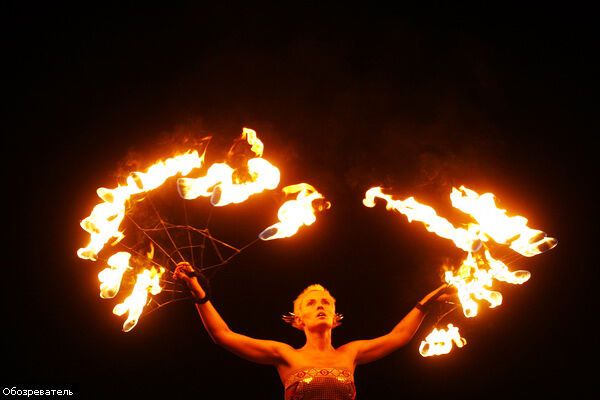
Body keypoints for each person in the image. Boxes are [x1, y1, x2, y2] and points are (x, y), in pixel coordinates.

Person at [174, 261, 454, 399]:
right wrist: (199, 294)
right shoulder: (285, 355)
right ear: (298, 319)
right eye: (311, 303)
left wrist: (424, 304)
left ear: (335, 317)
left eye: (326, 303)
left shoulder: (351, 353)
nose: (320, 306)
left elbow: (398, 336)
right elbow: (223, 335)